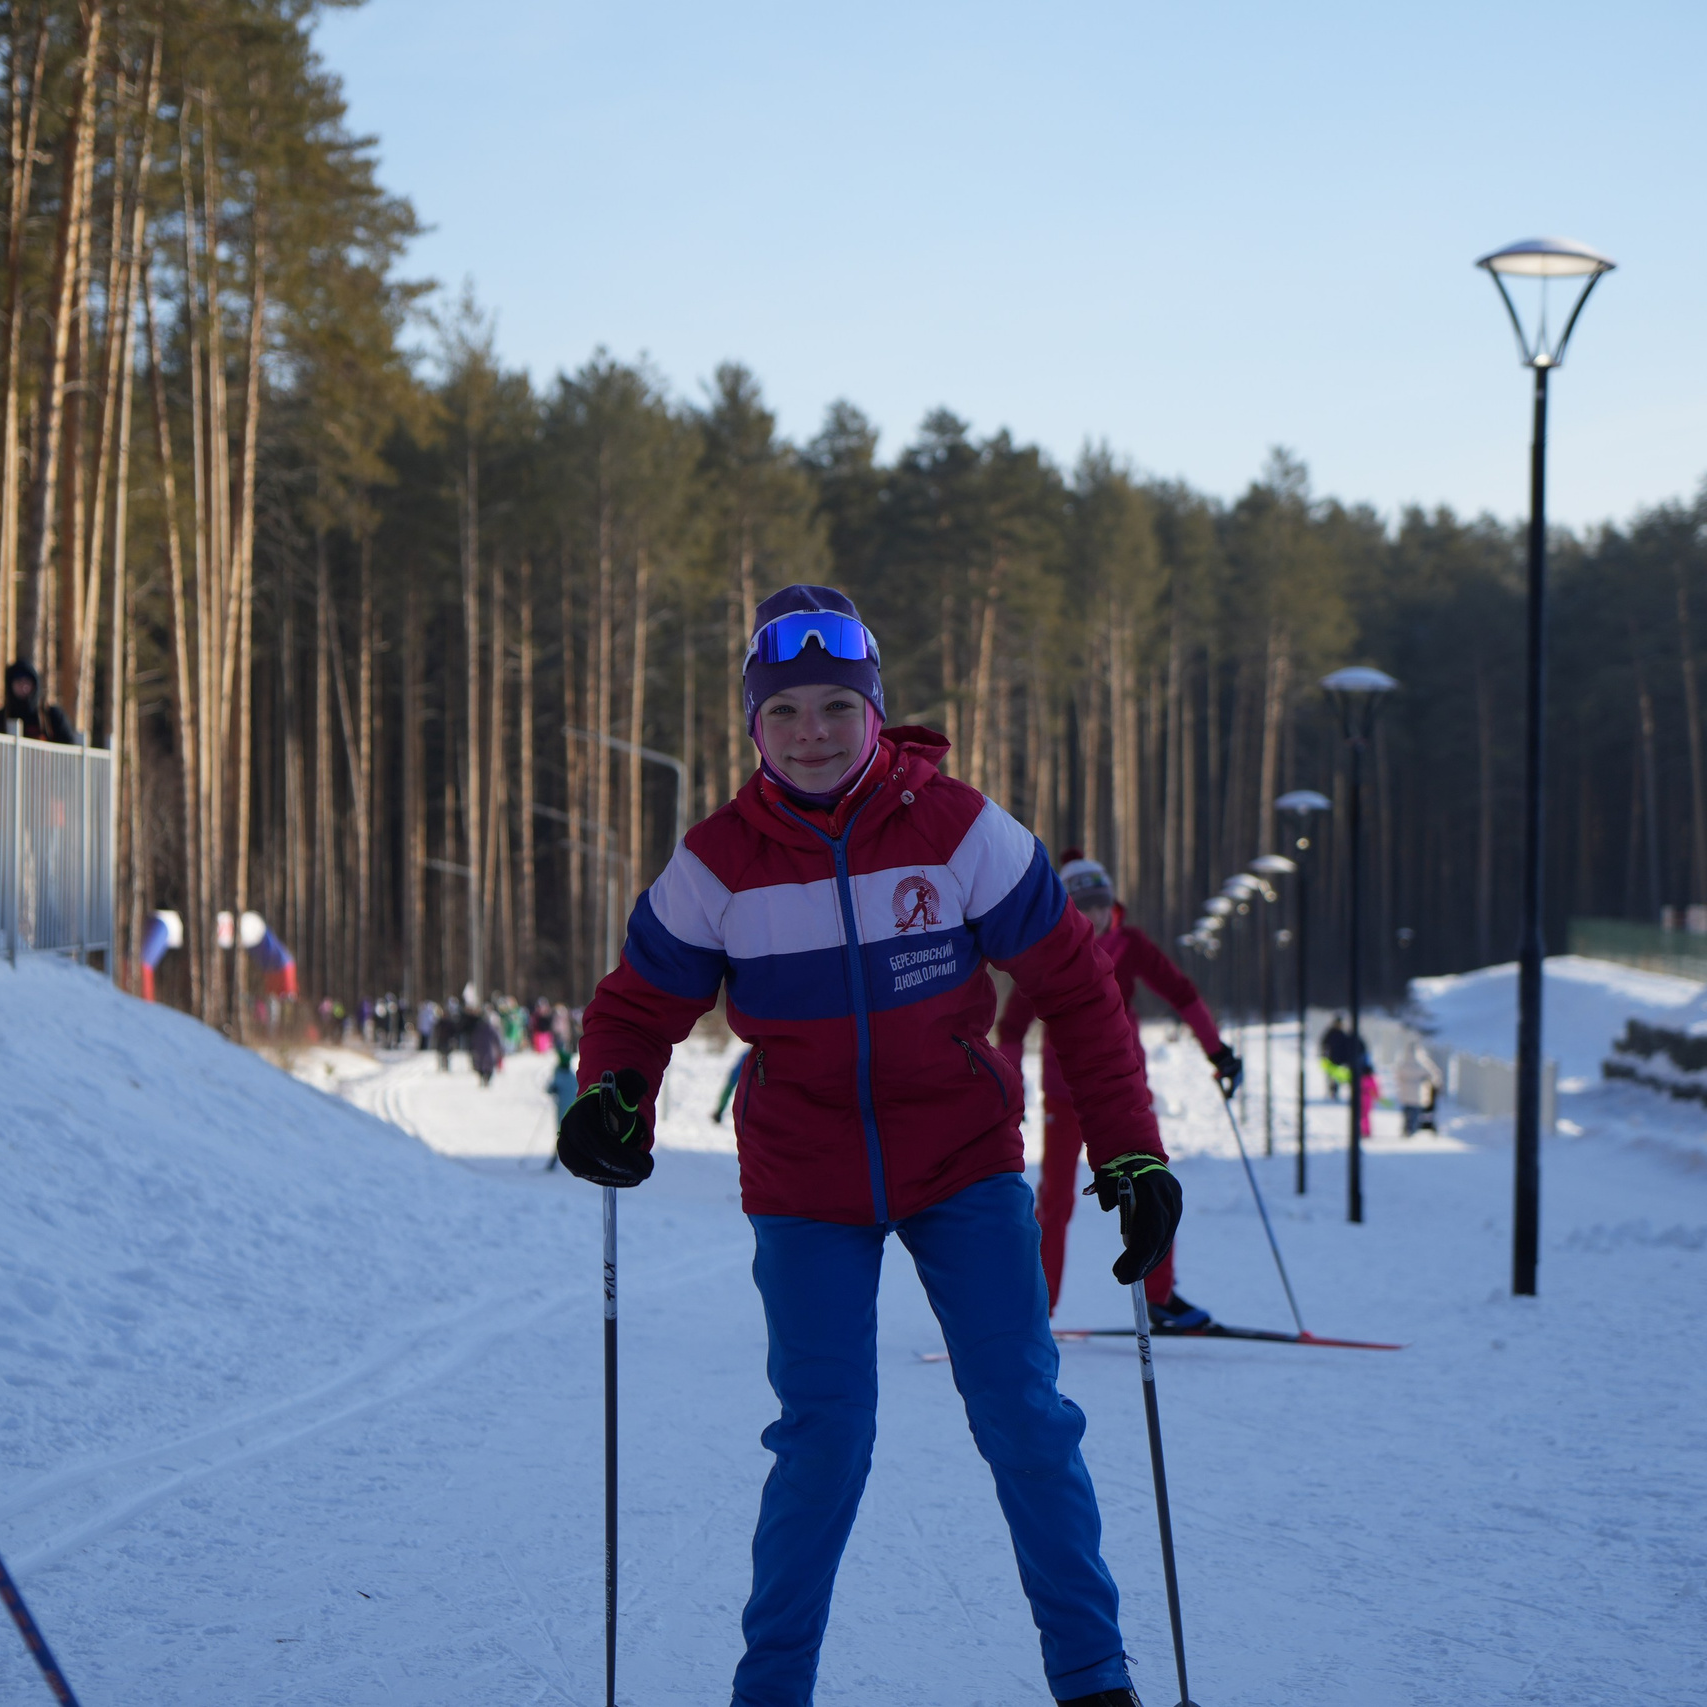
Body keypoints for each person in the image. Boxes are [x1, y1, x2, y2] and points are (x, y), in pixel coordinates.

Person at [557, 584, 1171, 1707]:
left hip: (962, 1162)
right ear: (754, 724)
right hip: (805, 1180)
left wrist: (1129, 1150)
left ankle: (1092, 1678)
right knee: (824, 1438)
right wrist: (612, 1093)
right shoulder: (716, 863)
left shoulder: (962, 832)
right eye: (784, 711)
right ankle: (771, 1690)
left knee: (1023, 1415)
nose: (813, 733)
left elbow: (1077, 991)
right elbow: (638, 1006)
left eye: (838, 705)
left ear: (874, 710)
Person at [996, 851, 1243, 1330]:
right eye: (1082, 905)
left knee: (1152, 1188)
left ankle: (1161, 1297)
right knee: (1056, 1201)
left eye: (1101, 904)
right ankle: (1037, 1310)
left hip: (1125, 1090)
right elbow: (1011, 1027)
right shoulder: (1045, 951)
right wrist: (1011, 1082)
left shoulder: (1129, 944)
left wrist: (1217, 1050)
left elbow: (1182, 993)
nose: (1094, 915)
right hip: (1064, 1092)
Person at [0, 658, 75, 743]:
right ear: (10, 685)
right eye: (19, 682)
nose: (23, 687)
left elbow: (69, 749)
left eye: (27, 682)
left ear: (35, 685)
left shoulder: (52, 717)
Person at [1320, 1012, 1354, 1101]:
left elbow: (1348, 1046)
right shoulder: (1330, 1033)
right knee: (1332, 1077)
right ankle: (1332, 1092)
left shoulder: (1343, 1033)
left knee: (1341, 1078)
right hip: (1332, 1059)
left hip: (1341, 1060)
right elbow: (1324, 1044)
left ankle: (1337, 1092)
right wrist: (1324, 1055)